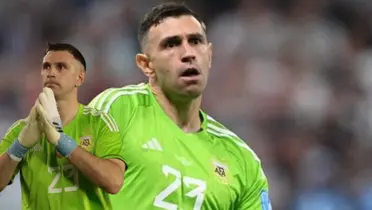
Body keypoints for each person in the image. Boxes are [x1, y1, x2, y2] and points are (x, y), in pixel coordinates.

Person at [89, 2, 272, 210]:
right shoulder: (118, 110)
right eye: (171, 44)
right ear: (146, 64)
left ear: (209, 55)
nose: (188, 53)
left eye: (195, 41)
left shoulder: (241, 160)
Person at [0, 43, 126, 210]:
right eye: (46, 67)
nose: (51, 73)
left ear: (79, 78)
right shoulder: (21, 130)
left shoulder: (99, 123)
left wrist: (62, 141)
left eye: (61, 67)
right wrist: (19, 147)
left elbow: (114, 182)